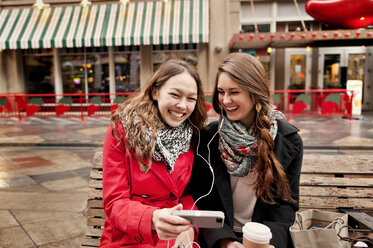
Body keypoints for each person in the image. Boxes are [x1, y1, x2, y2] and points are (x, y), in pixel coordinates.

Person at [190, 53, 303, 248]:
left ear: (254, 92)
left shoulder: (288, 140)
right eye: (220, 91)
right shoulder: (208, 138)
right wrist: (224, 241)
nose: (225, 100)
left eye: (234, 92)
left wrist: (267, 243)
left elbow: (286, 205)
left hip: (264, 239)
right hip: (219, 238)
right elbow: (203, 199)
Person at [100, 59, 207, 247]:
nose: (182, 106)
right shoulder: (122, 131)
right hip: (128, 235)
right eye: (175, 94)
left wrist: (191, 227)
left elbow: (190, 194)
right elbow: (115, 203)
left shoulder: (194, 134)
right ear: (155, 92)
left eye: (191, 98)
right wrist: (151, 218)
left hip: (176, 234)